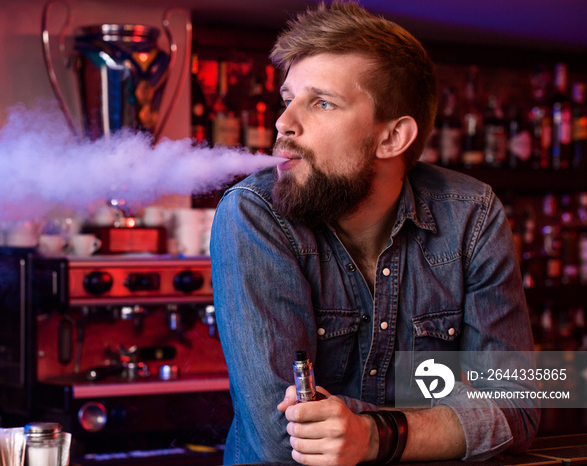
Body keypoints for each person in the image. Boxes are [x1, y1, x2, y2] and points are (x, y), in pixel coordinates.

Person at [210, 1, 540, 465]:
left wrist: (369, 434)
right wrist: (441, 423)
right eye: (288, 100)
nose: (284, 123)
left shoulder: (473, 213)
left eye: (322, 103)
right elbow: (281, 440)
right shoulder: (253, 213)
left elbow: (520, 409)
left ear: (392, 138)